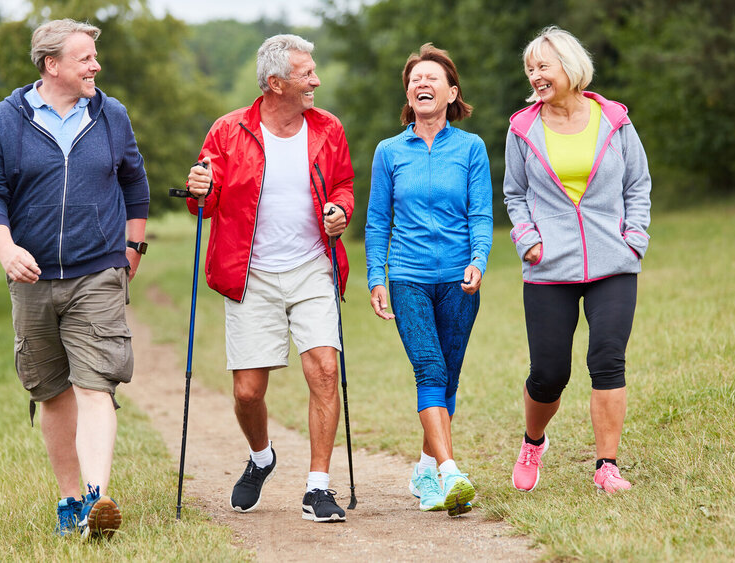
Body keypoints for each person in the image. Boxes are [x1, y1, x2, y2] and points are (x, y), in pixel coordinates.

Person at [0, 19, 150, 538]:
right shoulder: (6, 120)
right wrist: (6, 249)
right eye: (86, 58)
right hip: (31, 279)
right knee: (51, 392)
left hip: (97, 270)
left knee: (97, 386)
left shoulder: (110, 115)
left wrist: (132, 249)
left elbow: (134, 183)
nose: (97, 66)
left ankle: (98, 498)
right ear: (52, 65)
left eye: (95, 57)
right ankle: (70, 501)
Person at [184, 34, 354, 523]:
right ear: (275, 83)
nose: (316, 80)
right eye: (307, 73)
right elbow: (205, 204)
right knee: (248, 393)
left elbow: (342, 184)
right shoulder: (227, 131)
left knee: (324, 367)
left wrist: (340, 210)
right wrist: (200, 188)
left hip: (311, 268)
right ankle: (262, 457)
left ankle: (318, 487)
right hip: (249, 274)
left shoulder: (327, 129)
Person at [503, 26, 651, 494]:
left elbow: (637, 184)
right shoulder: (522, 128)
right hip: (549, 265)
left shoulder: (615, 120)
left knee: (608, 359)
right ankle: (533, 441)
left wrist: (634, 238)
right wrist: (528, 239)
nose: (536, 75)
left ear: (569, 66)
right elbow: (514, 192)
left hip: (613, 260)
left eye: (543, 66)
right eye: (530, 69)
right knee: (549, 374)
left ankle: (606, 465)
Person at [365, 44, 493, 516]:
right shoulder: (389, 151)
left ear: (451, 92)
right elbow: (378, 221)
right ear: (408, 92)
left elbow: (481, 213)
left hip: (460, 279)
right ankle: (451, 471)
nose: (422, 83)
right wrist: (376, 276)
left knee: (449, 378)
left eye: (432, 78)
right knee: (429, 370)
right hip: (408, 276)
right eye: (415, 78)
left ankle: (425, 468)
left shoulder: (471, 148)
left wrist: (479, 258)